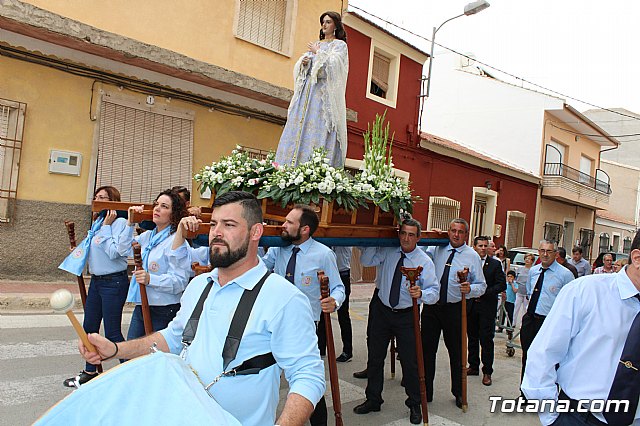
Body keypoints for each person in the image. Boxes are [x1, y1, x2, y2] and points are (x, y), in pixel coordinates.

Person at [78, 191, 325, 425]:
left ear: (255, 232)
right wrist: (115, 349)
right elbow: (173, 338)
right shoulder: (198, 285)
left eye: (229, 225)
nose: (216, 233)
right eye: (214, 224)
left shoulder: (284, 298)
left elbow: (308, 375)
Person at [522, 229, 640, 426]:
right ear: (637, 258)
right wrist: (552, 419)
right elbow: (543, 354)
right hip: (579, 417)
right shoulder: (586, 291)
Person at [262, 204, 345, 426]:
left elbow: (338, 288)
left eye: (289, 222)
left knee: (306, 379)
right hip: (273, 323)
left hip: (307, 327)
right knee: (265, 376)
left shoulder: (323, 254)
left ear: (305, 229)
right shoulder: (278, 248)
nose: (283, 225)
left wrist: (333, 301)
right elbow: (258, 268)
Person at [353, 219, 439, 424]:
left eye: (411, 234)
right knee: (375, 357)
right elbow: (366, 261)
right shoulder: (389, 251)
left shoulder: (424, 261)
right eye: (403, 233)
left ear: (418, 237)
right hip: (383, 311)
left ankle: (414, 403)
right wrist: (376, 237)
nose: (406, 238)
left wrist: (422, 293)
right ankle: (373, 399)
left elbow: (434, 292)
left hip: (406, 314)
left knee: (410, 362)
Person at [60, 186, 130, 387]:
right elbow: (95, 248)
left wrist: (108, 227)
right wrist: (79, 250)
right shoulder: (99, 221)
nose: (97, 200)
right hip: (97, 282)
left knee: (112, 332)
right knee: (89, 328)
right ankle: (90, 371)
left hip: (114, 282)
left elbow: (115, 252)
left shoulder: (120, 223)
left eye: (102, 198)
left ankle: (128, 372)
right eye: (96, 197)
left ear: (112, 201)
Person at [421, 218, 486, 408]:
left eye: (460, 231)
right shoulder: (437, 248)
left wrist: (470, 289)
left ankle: (458, 392)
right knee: (426, 351)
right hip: (432, 308)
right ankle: (426, 392)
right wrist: (431, 237)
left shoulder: (471, 256)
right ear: (448, 232)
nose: (456, 235)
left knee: (457, 353)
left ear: (466, 234)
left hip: (455, 309)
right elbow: (420, 255)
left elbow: (481, 285)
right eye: (453, 230)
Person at [275, 11, 348, 168]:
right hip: (307, 93)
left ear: (336, 25)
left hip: (322, 96)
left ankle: (312, 170)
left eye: (328, 22)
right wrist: (305, 63)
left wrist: (318, 53)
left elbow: (335, 67)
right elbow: (307, 69)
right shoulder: (318, 44)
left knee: (318, 128)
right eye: (323, 22)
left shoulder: (340, 46)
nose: (324, 25)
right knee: (297, 125)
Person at [121, 189, 191, 340]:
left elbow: (180, 281)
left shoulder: (177, 242)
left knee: (155, 358)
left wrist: (150, 279)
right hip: (142, 305)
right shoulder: (147, 236)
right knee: (131, 354)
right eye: (156, 204)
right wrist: (130, 223)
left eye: (164, 206)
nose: (157, 209)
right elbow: (122, 250)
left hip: (164, 310)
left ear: (174, 214)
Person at [520, 240, 575, 382]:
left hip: (550, 323)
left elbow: (570, 301)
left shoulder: (565, 275)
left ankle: (547, 395)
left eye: (549, 251)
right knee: (527, 356)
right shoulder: (533, 271)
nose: (545, 255)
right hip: (531, 319)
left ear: (556, 254)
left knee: (548, 361)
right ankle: (525, 393)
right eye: (542, 251)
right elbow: (529, 291)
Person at [467, 236, 506, 386]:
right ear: (474, 247)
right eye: (480, 245)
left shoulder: (495, 264)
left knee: (486, 340)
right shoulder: (469, 262)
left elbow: (501, 284)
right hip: (471, 306)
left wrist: (485, 292)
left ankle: (487, 371)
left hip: (487, 307)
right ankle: (473, 366)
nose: (483, 248)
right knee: (472, 337)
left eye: (485, 246)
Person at [317, 246, 354, 363]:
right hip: (325, 275)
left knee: (343, 315)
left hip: (342, 274)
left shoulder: (344, 239)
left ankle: (347, 350)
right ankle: (321, 349)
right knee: (322, 314)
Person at [513, 253, 534, 328]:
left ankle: (523, 325)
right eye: (526, 258)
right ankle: (513, 323)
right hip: (519, 291)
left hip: (527, 293)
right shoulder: (519, 269)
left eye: (529, 259)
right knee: (516, 307)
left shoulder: (532, 270)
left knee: (525, 310)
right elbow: (515, 279)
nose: (527, 260)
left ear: (532, 261)